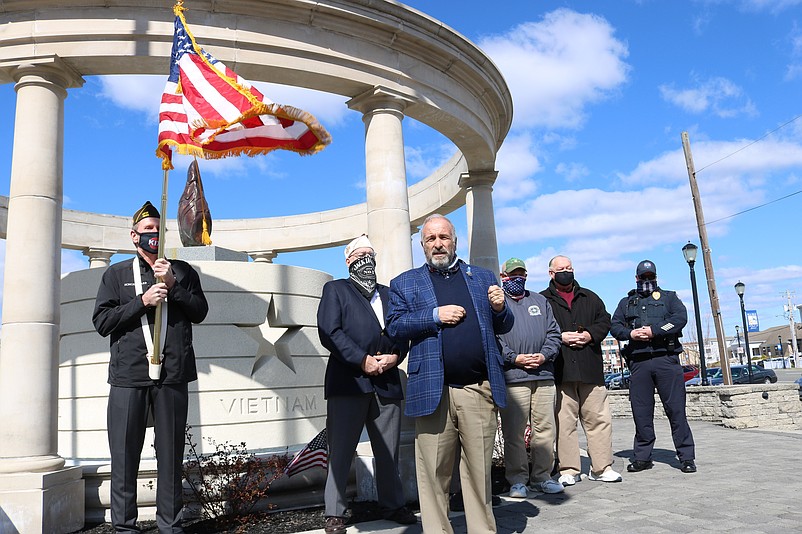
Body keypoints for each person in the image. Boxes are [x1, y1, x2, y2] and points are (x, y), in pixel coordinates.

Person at [386, 214, 513, 534]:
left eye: (443, 237)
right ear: (422, 244)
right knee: (433, 475)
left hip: (477, 389)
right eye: (431, 239)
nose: (438, 244)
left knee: (479, 473)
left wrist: (501, 308)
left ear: (455, 241)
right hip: (432, 390)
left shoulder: (482, 277)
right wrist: (433, 316)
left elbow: (504, 326)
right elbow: (395, 326)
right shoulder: (405, 282)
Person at [93, 201, 209, 533]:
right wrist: (142, 301)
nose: (153, 236)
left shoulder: (183, 271)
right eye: (147, 231)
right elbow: (102, 322)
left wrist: (174, 286)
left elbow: (200, 312)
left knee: (171, 457)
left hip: (173, 376)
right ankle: (125, 528)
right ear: (134, 236)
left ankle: (170, 526)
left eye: (158, 230)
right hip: (129, 377)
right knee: (125, 457)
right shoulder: (115, 275)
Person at [316, 235, 416, 534]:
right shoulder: (336, 290)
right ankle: (335, 512)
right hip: (349, 383)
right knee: (342, 450)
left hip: (386, 382)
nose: (366, 259)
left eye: (370, 253)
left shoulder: (389, 294)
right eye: (360, 254)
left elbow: (401, 329)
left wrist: (395, 355)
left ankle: (393, 504)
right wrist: (362, 360)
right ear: (348, 261)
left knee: (388, 450)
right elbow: (329, 331)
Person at [541, 255, 622, 486]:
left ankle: (602, 467)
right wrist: (560, 336)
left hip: (590, 370)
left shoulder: (590, 297)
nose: (566, 271)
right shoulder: (542, 300)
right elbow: (541, 329)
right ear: (551, 273)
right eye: (561, 268)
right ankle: (568, 470)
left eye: (569, 268)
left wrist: (588, 335)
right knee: (564, 424)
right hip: (561, 371)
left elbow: (604, 322)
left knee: (598, 420)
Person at [610, 260, 697, 474]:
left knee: (676, 410)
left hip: (666, 359)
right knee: (641, 412)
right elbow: (615, 326)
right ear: (637, 278)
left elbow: (680, 319)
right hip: (639, 362)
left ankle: (686, 457)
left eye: (651, 277)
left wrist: (654, 331)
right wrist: (630, 334)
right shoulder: (626, 302)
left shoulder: (669, 298)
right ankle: (642, 457)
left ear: (656, 277)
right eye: (644, 277)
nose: (647, 280)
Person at [496, 258, 564, 498]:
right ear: (503, 276)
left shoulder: (539, 300)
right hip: (514, 378)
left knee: (545, 429)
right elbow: (494, 339)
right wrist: (514, 358)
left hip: (543, 375)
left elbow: (554, 333)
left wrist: (544, 355)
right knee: (513, 433)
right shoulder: (497, 304)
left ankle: (542, 477)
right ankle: (517, 480)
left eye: (521, 273)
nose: (518, 278)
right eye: (513, 274)